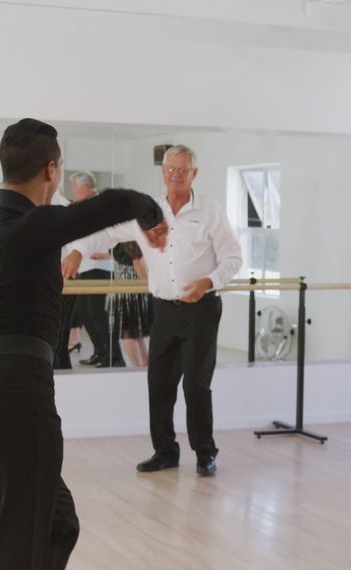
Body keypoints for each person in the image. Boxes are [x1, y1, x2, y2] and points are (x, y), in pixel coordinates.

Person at [0, 118, 166, 569]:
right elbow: (105, 207)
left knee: (57, 524)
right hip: (15, 399)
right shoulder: (32, 226)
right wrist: (149, 210)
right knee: (21, 547)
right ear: (51, 170)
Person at [76, 144, 242, 476]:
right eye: (171, 169)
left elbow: (233, 258)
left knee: (196, 385)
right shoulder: (147, 212)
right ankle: (165, 451)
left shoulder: (210, 210)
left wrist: (207, 282)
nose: (176, 175)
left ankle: (205, 453)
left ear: (195, 173)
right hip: (164, 309)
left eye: (184, 169)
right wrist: (78, 252)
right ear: (163, 172)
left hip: (202, 308)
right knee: (159, 383)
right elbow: (106, 234)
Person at [59, 172, 124, 368]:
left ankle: (114, 357)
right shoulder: (84, 206)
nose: (74, 192)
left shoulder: (99, 205)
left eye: (76, 188)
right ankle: (100, 352)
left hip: (99, 268)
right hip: (84, 268)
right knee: (85, 313)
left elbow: (103, 235)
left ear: (86, 187)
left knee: (98, 314)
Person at [106, 241, 152, 367]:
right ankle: (142, 363)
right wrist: (148, 284)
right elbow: (137, 262)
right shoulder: (129, 239)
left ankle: (139, 364)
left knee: (129, 331)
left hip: (125, 290)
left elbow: (134, 262)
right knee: (133, 331)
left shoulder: (120, 239)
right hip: (132, 290)